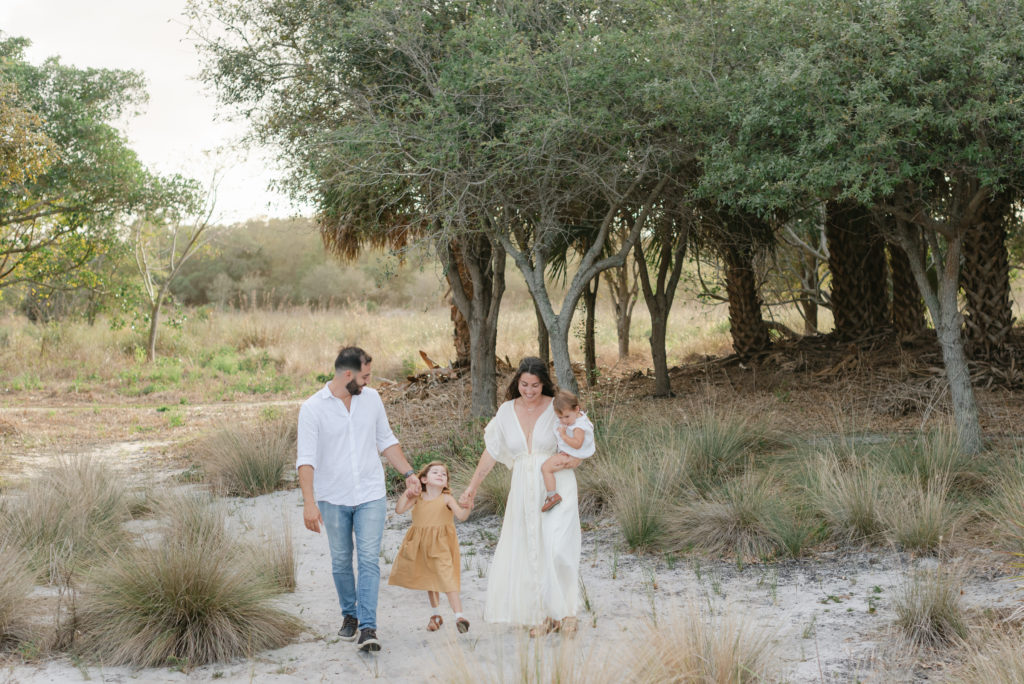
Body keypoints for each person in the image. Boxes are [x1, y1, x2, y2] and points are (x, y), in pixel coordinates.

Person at [296, 346, 421, 653]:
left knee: (367, 560)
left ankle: (367, 626)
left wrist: (409, 473)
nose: (368, 381)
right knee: (341, 560)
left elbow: (386, 440)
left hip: (370, 493)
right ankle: (349, 614)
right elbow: (306, 459)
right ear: (348, 374)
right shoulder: (313, 408)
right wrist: (309, 503)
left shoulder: (372, 399)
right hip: (333, 497)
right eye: (365, 375)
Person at [458, 357, 583, 636]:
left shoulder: (556, 406)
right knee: (530, 549)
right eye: (524, 384)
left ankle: (569, 612)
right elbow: (491, 451)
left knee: (558, 548)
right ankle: (544, 614)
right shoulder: (505, 411)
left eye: (535, 385)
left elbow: (582, 437)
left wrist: (575, 459)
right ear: (517, 383)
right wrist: (473, 486)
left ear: (544, 384)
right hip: (523, 487)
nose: (529, 390)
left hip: (555, 485)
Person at [388, 461, 472, 633]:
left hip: (441, 545)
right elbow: (399, 509)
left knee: (447, 577)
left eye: (444, 474)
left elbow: (462, 516)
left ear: (446, 483)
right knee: (429, 579)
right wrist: (407, 492)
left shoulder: (446, 498)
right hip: (421, 544)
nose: (441, 475)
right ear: (424, 479)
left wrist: (468, 507)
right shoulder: (418, 498)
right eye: (435, 472)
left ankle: (459, 616)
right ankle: (435, 615)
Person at [540, 390, 595, 513]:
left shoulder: (579, 426)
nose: (564, 421)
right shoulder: (578, 417)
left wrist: (564, 435)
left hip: (572, 455)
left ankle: (552, 495)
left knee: (546, 468)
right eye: (560, 417)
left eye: (566, 416)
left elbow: (577, 444)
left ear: (576, 409)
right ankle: (552, 495)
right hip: (570, 454)